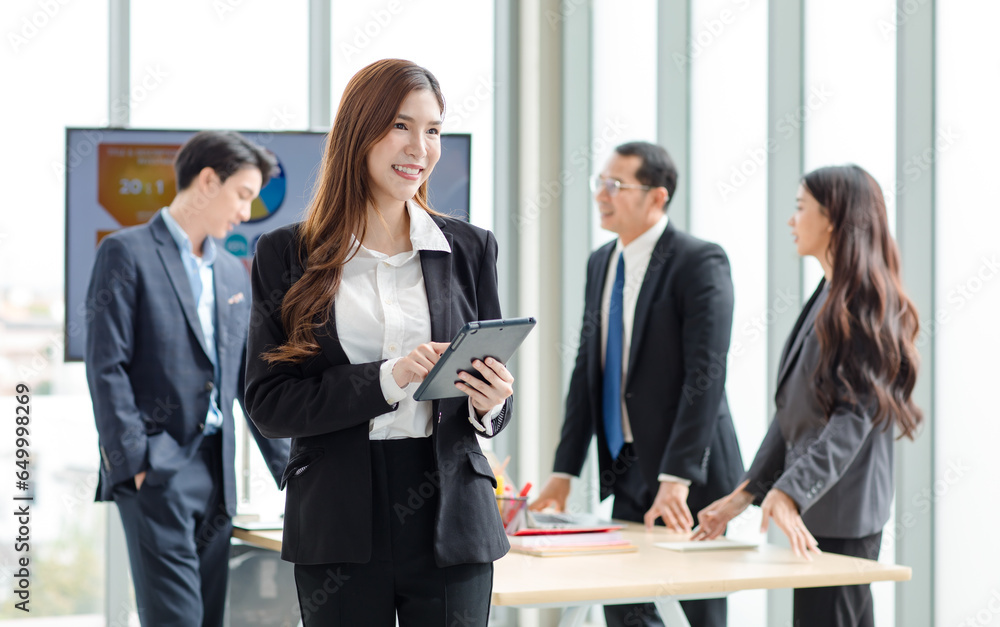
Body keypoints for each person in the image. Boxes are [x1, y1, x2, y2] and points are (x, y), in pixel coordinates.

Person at [243, 59, 514, 627]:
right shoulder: (286, 254)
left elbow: (489, 392)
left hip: (451, 517)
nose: (420, 146)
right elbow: (269, 405)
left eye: (433, 129)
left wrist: (492, 402)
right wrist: (389, 378)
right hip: (339, 515)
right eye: (400, 125)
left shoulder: (470, 249)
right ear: (358, 131)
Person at [693, 164, 922, 627]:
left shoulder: (864, 301)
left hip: (844, 514)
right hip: (819, 511)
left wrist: (790, 492)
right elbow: (795, 413)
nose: (791, 220)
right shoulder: (830, 292)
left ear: (834, 218)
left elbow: (850, 420)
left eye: (801, 208)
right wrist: (747, 493)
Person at [531, 141, 743, 627]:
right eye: (599, 183)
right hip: (626, 467)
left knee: (691, 614)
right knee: (627, 610)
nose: (601, 195)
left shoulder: (699, 262)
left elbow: (705, 376)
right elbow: (589, 371)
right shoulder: (601, 262)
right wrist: (564, 472)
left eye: (616, 185)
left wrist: (677, 477)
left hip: (690, 479)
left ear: (657, 197)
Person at [85, 130, 291, 627]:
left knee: (209, 619)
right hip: (158, 469)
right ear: (206, 181)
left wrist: (294, 470)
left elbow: (248, 379)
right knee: (176, 620)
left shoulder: (231, 272)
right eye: (243, 195)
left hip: (217, 475)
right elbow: (105, 367)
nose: (246, 213)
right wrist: (135, 462)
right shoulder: (126, 253)